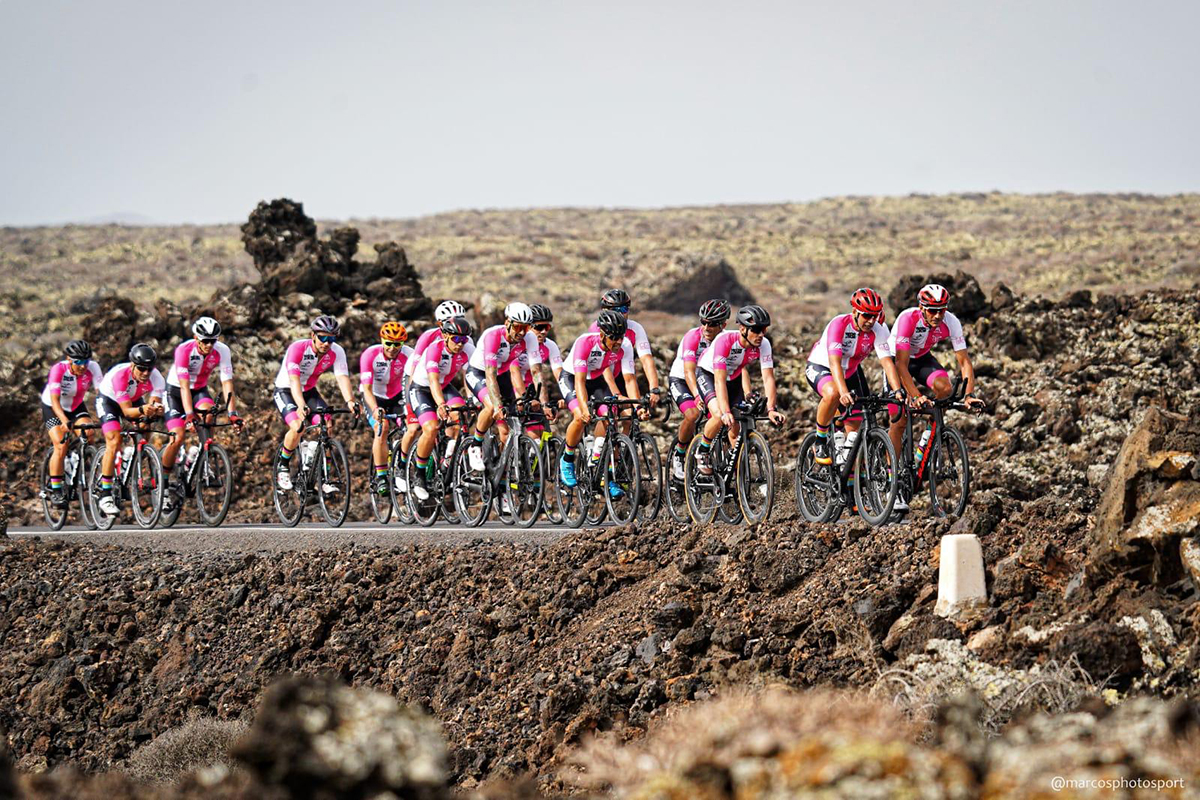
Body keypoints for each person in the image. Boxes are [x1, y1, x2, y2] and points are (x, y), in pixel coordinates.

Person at [886, 284, 986, 510]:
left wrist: (969, 394)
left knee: (945, 388)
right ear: (921, 307)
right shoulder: (907, 319)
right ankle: (892, 483)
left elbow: (964, 362)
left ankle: (930, 433)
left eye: (942, 309)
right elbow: (901, 366)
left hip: (921, 358)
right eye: (932, 310)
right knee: (899, 420)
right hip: (897, 361)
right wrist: (916, 395)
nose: (938, 315)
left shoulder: (951, 321)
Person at [804, 288, 902, 468]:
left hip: (850, 372)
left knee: (854, 432)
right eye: (867, 316)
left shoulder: (878, 329)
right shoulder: (839, 324)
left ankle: (846, 483)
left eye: (875, 316)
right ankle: (820, 439)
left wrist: (897, 391)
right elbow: (834, 362)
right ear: (855, 312)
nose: (871, 321)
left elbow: (888, 363)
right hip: (822, 366)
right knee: (833, 393)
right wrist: (843, 392)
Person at [692, 305, 786, 475]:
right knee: (719, 414)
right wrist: (725, 411)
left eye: (763, 330)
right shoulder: (725, 341)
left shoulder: (763, 344)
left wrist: (771, 409)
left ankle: (734, 477)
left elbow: (768, 378)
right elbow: (719, 381)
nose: (761, 335)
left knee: (736, 430)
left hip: (732, 378)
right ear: (742, 329)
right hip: (708, 374)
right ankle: (703, 449)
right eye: (756, 330)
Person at [272, 315, 361, 491]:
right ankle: (283, 466)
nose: (327, 343)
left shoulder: (337, 352)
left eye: (331, 339)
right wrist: (299, 405)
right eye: (322, 337)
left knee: (326, 424)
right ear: (313, 335)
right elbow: (294, 380)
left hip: (309, 391)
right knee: (298, 426)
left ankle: (324, 476)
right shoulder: (297, 348)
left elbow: (342, 377)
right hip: (286, 390)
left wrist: (350, 401)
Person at [557, 310, 640, 495]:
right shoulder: (584, 343)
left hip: (595, 379)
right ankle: (567, 458)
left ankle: (605, 473)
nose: (618, 341)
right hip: (572, 378)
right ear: (602, 334)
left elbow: (629, 379)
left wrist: (637, 405)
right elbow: (579, 381)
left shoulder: (624, 346)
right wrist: (584, 407)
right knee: (580, 416)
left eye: (621, 336)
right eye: (613, 337)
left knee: (611, 416)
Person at [162, 317, 241, 509]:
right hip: (176, 391)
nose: (209, 345)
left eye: (213, 340)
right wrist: (189, 414)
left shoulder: (222, 351)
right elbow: (183, 386)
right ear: (196, 338)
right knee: (178, 436)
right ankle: (163, 484)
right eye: (205, 341)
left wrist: (233, 413)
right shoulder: (184, 350)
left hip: (199, 390)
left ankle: (203, 456)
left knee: (208, 414)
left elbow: (227, 383)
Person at [396, 300, 470, 490]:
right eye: (450, 320)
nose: (455, 322)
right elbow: (418, 372)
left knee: (459, 416)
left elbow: (470, 374)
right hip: (417, 380)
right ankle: (402, 466)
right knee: (415, 427)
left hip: (443, 382)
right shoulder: (430, 339)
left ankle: (447, 458)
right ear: (440, 324)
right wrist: (411, 407)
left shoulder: (462, 340)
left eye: (459, 319)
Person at [463, 302, 542, 472]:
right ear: (508, 323)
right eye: (518, 327)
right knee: (492, 406)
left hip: (501, 375)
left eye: (526, 328)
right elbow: (490, 375)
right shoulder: (492, 336)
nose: (521, 332)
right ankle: (475, 445)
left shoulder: (530, 338)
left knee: (510, 427)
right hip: (480, 373)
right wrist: (498, 405)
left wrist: (540, 399)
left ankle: (501, 476)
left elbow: (536, 371)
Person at [666, 299, 734, 481]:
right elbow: (689, 371)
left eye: (711, 324)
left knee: (723, 416)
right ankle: (679, 453)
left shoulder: (726, 339)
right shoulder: (693, 337)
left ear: (723, 325)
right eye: (703, 322)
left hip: (709, 378)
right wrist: (697, 395)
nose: (706, 327)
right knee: (693, 414)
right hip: (682, 379)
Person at [95, 344, 166, 515]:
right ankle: (105, 494)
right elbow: (127, 412)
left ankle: (132, 455)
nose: (146, 373)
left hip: (133, 399)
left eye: (149, 369)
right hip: (109, 400)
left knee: (145, 426)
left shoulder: (157, 378)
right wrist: (143, 409)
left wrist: (156, 409)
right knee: (114, 439)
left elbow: (154, 403)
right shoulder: (120, 376)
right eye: (141, 369)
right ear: (132, 365)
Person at [40, 339, 103, 507]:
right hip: (53, 407)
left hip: (75, 405)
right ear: (69, 359)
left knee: (89, 434)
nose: (83, 366)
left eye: (86, 361)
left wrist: (105, 415)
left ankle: (76, 462)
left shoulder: (93, 368)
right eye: (79, 362)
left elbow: (101, 394)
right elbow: (54, 400)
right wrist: (64, 420)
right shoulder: (58, 370)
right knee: (61, 444)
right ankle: (56, 489)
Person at [360, 321, 413, 495]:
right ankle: (381, 475)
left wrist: (410, 408)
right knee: (381, 428)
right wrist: (375, 409)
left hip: (397, 396)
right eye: (388, 343)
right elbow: (366, 389)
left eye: (397, 344)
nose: (392, 348)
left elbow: (412, 384)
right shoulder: (370, 355)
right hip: (374, 396)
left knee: (410, 426)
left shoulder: (409, 355)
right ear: (382, 341)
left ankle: (401, 462)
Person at [587, 289, 662, 408]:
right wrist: (617, 395)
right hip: (600, 375)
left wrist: (654, 389)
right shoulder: (597, 328)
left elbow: (647, 360)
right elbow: (604, 367)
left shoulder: (635, 328)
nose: (620, 314)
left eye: (624, 309)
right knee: (611, 414)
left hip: (622, 372)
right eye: (615, 310)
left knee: (632, 414)